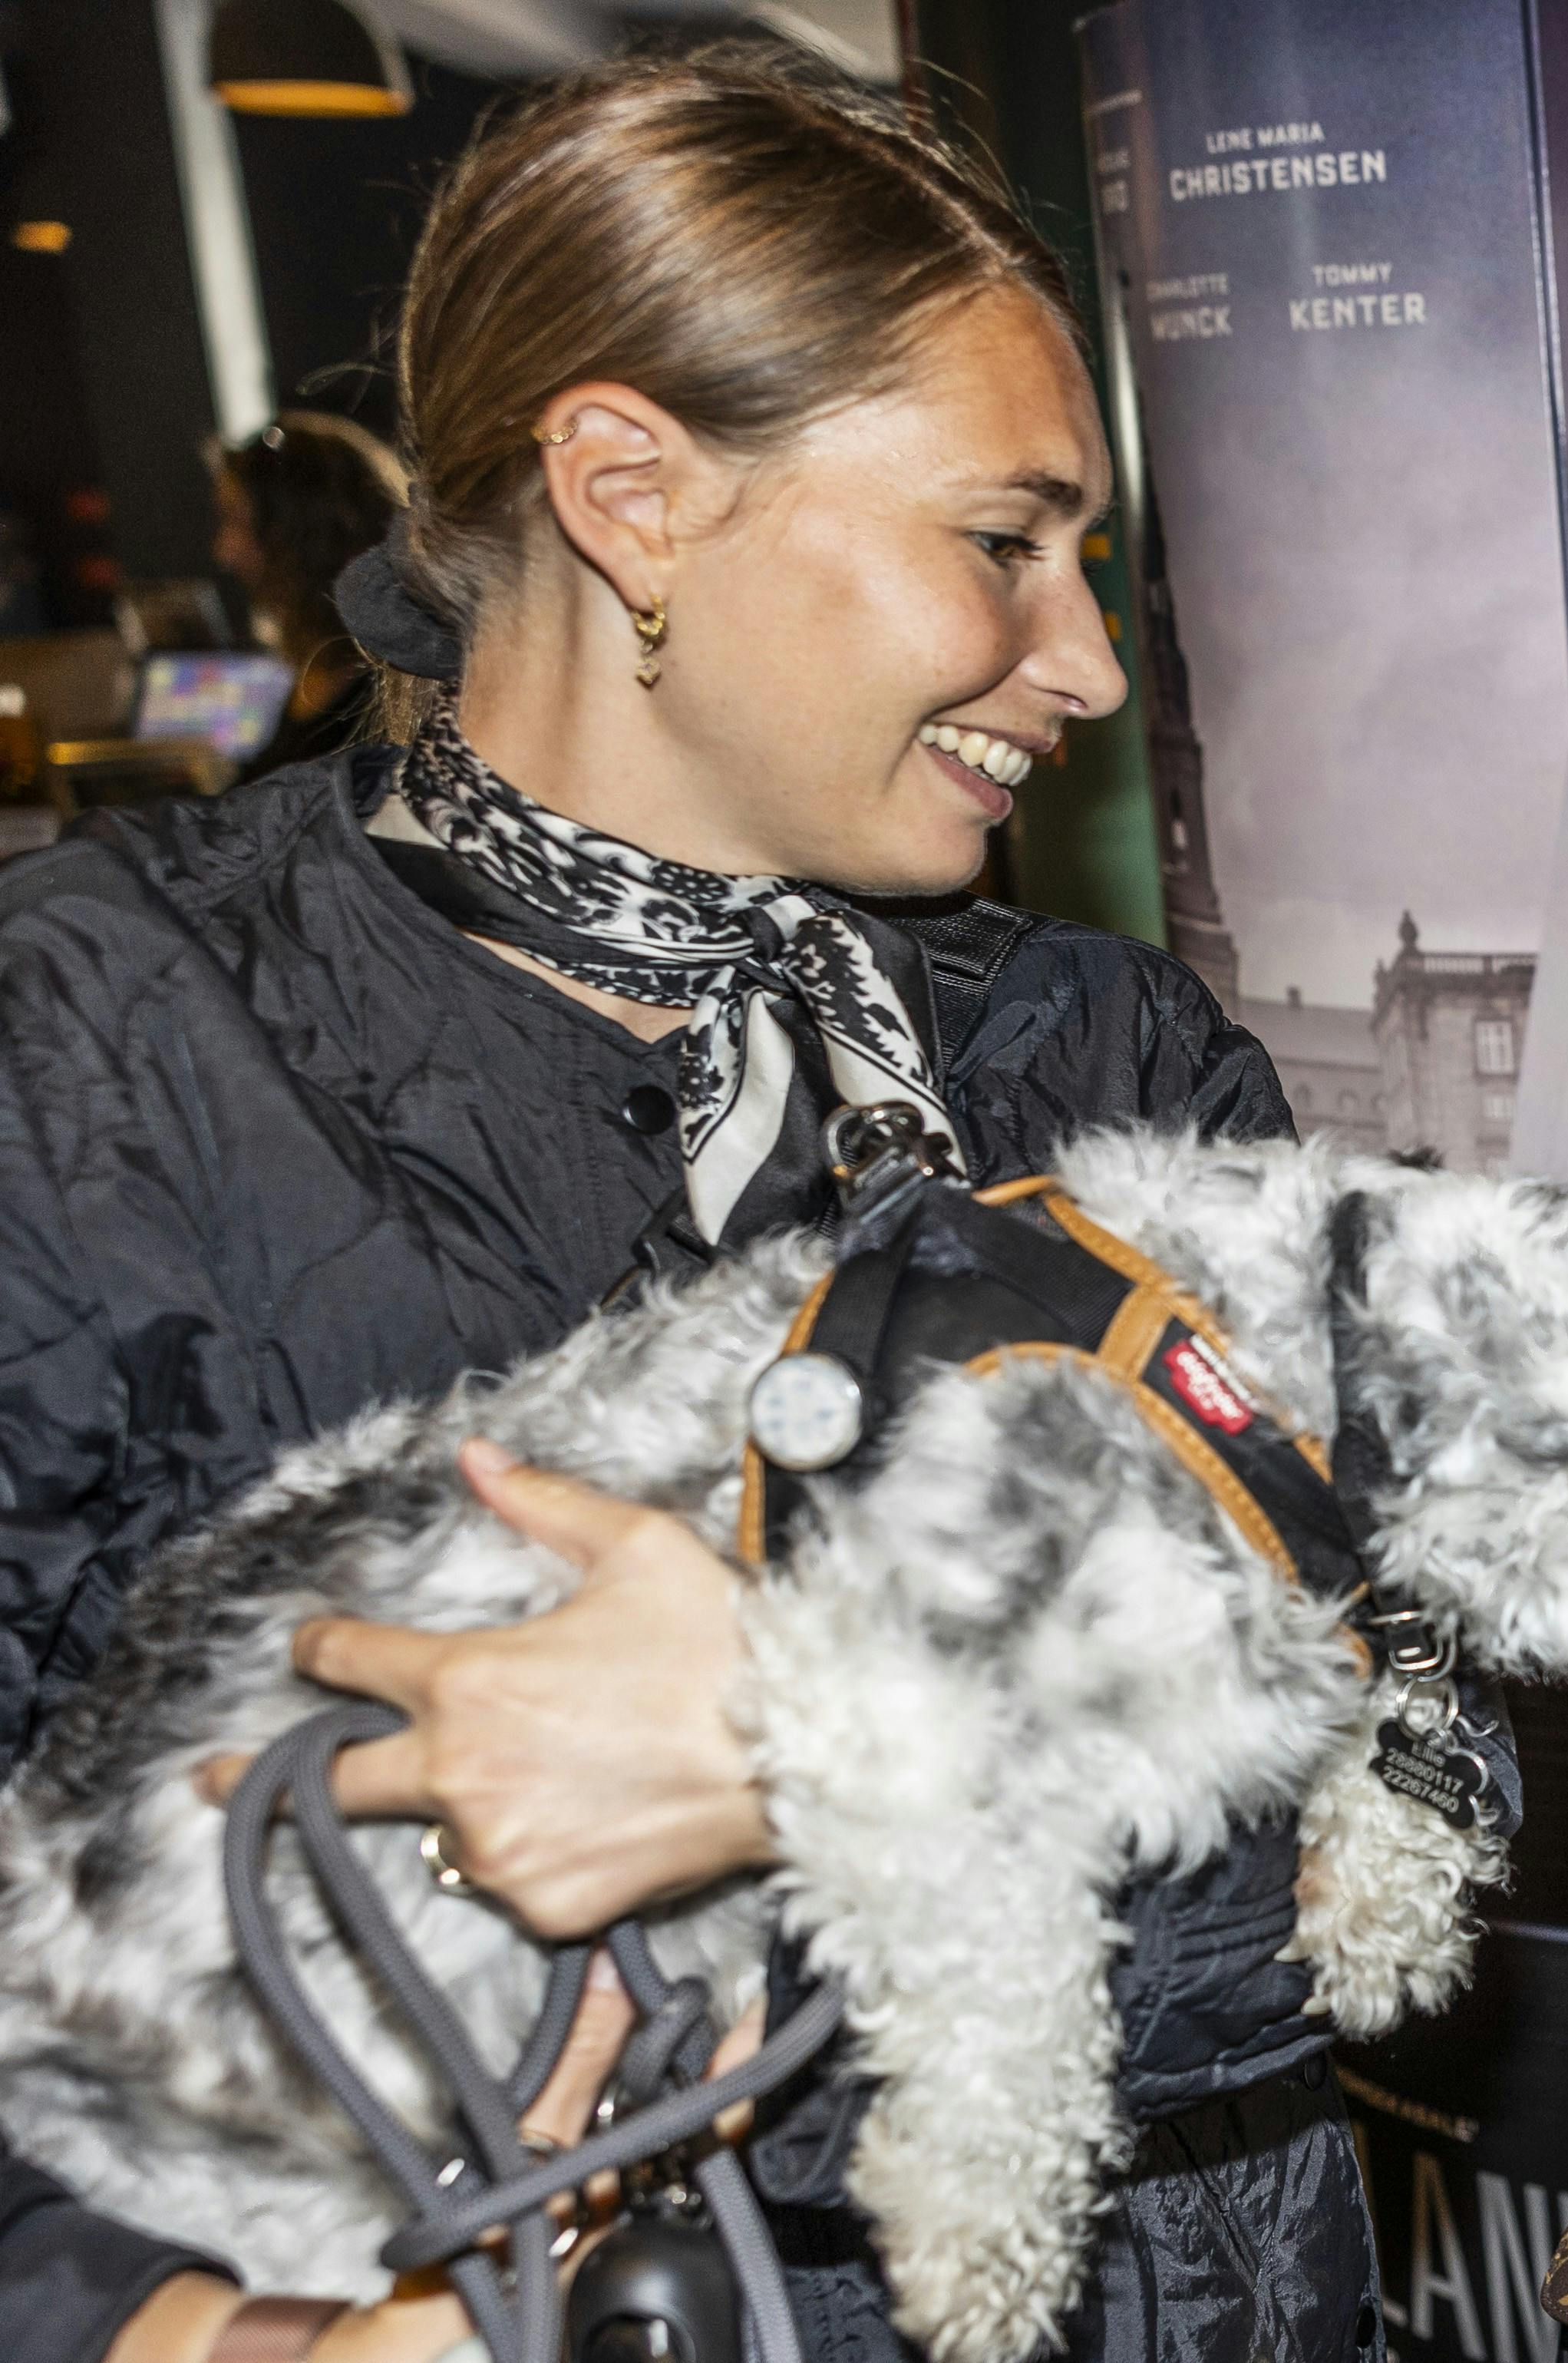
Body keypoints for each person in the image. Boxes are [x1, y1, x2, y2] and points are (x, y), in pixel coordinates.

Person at [4, 50, 1371, 2363]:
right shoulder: (98, 1059)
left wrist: (819, 1750)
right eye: (1000, 542)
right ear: (631, 491)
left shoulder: (1104, 1058)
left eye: (1093, 561)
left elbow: (1381, 1793)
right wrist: (197, 2341)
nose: (1089, 663)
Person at [209, 411, 407, 780]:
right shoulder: (316, 672)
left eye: (235, 521)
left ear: (300, 537)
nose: (224, 551)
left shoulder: (383, 698)